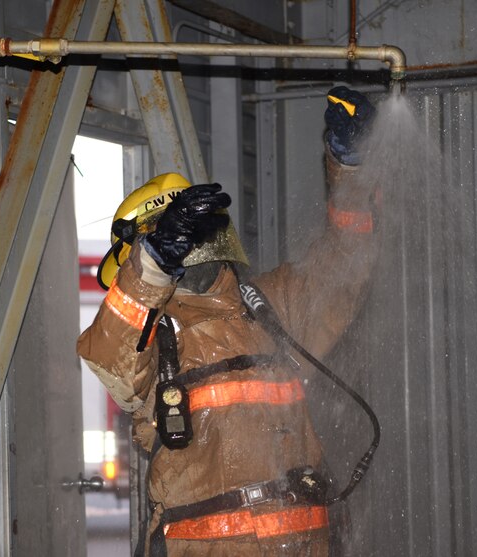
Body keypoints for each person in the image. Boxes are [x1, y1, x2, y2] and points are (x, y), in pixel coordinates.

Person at [77, 86, 379, 556]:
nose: (198, 247)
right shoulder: (149, 331)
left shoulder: (272, 304)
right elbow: (110, 360)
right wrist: (152, 268)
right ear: (145, 252)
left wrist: (350, 170)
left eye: (199, 231)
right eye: (180, 236)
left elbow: (347, 264)